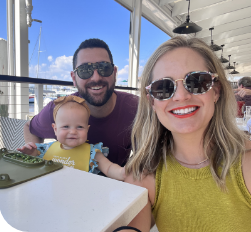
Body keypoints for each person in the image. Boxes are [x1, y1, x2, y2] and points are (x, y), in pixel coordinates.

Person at [116, 37, 251, 232]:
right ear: (152, 102)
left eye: (196, 81)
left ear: (216, 91)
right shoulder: (143, 174)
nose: (181, 96)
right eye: (163, 87)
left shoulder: (246, 164)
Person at [23, 38, 138, 169]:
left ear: (115, 73)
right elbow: (30, 128)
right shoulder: (60, 108)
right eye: (85, 70)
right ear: (74, 78)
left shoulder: (136, 108)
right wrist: (35, 164)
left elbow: (148, 156)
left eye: (104, 68)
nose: (96, 77)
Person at [18, 95, 125, 180]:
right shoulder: (45, 149)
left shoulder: (92, 153)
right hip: (51, 194)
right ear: (55, 129)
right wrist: (31, 154)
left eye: (80, 127)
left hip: (80, 197)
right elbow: (33, 165)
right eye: (65, 126)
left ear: (87, 129)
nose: (73, 131)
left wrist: (121, 172)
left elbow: (109, 168)